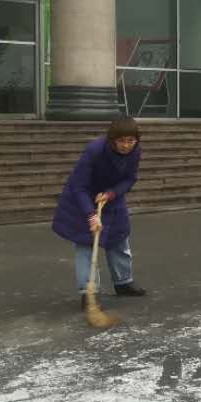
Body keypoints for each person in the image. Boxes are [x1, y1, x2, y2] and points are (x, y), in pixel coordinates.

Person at [51, 116, 146, 304]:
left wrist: (112, 193)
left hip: (111, 199)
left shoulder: (135, 151)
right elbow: (78, 186)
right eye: (121, 141)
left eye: (131, 141)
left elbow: (130, 179)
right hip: (82, 199)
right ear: (112, 139)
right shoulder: (94, 150)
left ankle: (123, 282)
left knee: (119, 238)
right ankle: (89, 292)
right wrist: (90, 215)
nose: (126, 145)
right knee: (86, 245)